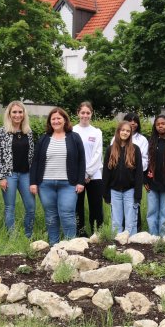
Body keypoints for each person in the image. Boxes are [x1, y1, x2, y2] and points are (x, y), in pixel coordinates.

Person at [30, 107, 86, 245]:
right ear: (50, 121)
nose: (56, 121)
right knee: (51, 216)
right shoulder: (44, 139)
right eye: (53, 119)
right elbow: (35, 162)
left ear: (65, 120)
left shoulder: (74, 137)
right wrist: (33, 182)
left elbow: (81, 160)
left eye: (59, 118)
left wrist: (80, 182)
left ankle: (70, 246)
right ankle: (53, 246)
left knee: (67, 214)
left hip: (68, 184)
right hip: (45, 184)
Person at [0, 100, 35, 238]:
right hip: (9, 175)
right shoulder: (2, 132)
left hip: (26, 175)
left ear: (24, 114)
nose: (17, 115)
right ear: (9, 114)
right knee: (9, 208)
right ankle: (12, 237)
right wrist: (1, 177)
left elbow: (32, 155)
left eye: (20, 112)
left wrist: (34, 177)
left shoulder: (28, 132)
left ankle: (28, 235)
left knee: (31, 207)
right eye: (14, 112)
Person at [103, 121, 143, 234]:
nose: (125, 133)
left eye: (128, 131)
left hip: (130, 191)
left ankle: (131, 243)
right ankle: (117, 242)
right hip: (114, 191)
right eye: (123, 130)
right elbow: (106, 173)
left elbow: (139, 173)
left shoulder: (135, 149)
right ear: (118, 131)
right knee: (116, 222)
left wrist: (138, 194)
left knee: (131, 222)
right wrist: (105, 193)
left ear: (130, 133)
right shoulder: (110, 149)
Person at [73, 101, 104, 237]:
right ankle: (80, 234)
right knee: (77, 206)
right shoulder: (72, 131)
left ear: (91, 114)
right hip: (77, 176)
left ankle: (97, 233)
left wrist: (88, 173)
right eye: (82, 112)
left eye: (88, 113)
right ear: (78, 113)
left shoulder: (97, 132)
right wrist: (81, 174)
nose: (85, 115)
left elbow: (98, 154)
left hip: (94, 175)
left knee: (96, 206)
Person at [145, 115, 165, 236]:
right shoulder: (151, 142)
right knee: (152, 211)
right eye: (158, 124)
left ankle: (164, 237)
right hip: (152, 182)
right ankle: (153, 237)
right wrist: (145, 180)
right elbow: (146, 162)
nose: (160, 126)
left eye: (163, 123)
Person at [120, 112, 149, 232]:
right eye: (130, 120)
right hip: (119, 177)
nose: (132, 123)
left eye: (135, 121)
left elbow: (145, 159)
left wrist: (133, 166)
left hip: (135, 176)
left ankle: (135, 230)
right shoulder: (116, 138)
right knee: (119, 206)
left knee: (134, 203)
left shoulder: (142, 140)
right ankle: (120, 231)